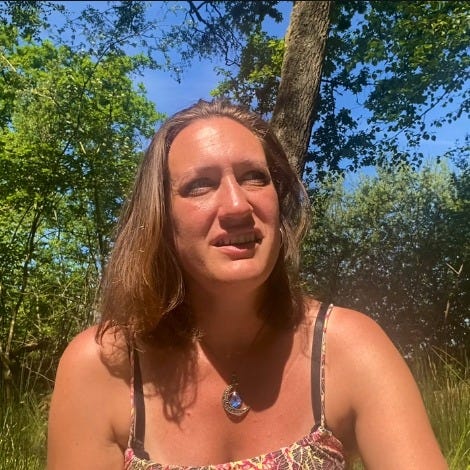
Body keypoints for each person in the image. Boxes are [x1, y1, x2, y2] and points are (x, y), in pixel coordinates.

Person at [47, 99, 447, 469]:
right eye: (200, 185)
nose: (238, 205)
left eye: (254, 177)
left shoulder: (349, 349)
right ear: (161, 219)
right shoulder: (103, 367)